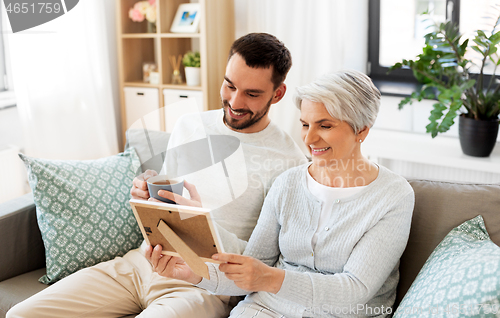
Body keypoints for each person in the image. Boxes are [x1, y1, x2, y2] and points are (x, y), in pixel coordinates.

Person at [7, 33, 306, 318]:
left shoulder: (288, 161)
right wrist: (145, 195)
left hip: (202, 285)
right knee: (20, 313)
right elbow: (165, 203)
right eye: (230, 85)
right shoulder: (189, 126)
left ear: (277, 94)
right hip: (142, 263)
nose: (235, 102)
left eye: (252, 94)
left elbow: (265, 260)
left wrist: (202, 222)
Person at [147, 70, 415, 318]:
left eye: (325, 126)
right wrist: (195, 273)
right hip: (264, 309)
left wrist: (269, 279)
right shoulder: (287, 183)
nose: (309, 140)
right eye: (305, 125)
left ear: (362, 129)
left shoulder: (393, 196)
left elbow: (354, 290)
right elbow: (252, 269)